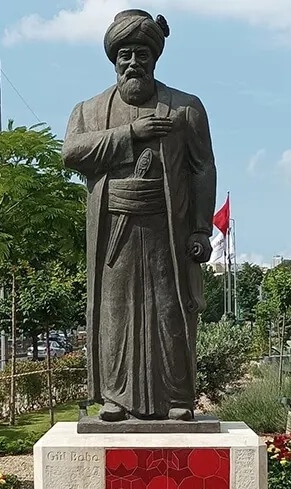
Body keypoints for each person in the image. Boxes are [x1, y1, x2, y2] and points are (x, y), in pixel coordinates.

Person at [62, 9, 218, 422]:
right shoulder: (89, 111)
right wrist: (132, 134)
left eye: (142, 55)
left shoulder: (185, 108)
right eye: (125, 55)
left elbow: (203, 168)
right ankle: (116, 398)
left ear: (155, 58)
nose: (133, 63)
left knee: (170, 310)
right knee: (115, 313)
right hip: (115, 230)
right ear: (114, 61)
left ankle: (178, 399)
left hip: (169, 229)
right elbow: (72, 153)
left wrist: (202, 228)